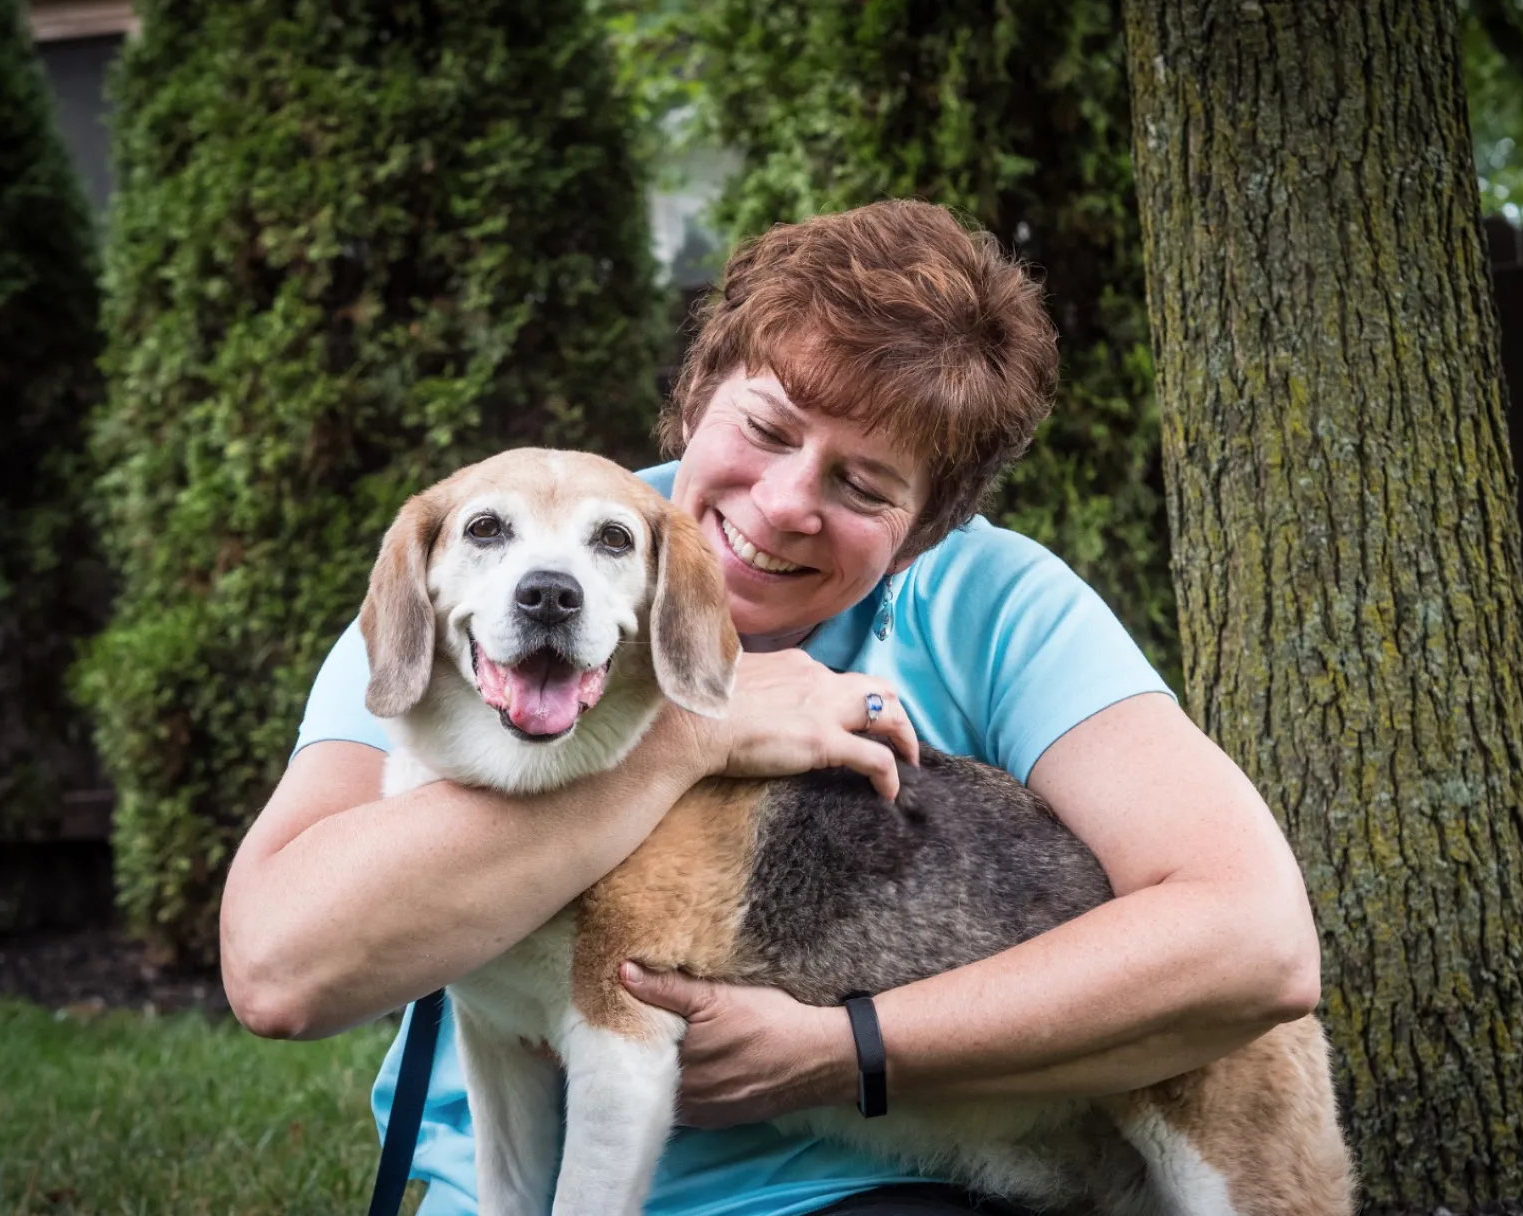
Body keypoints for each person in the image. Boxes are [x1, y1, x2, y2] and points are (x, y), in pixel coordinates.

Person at [219, 200, 1321, 1216]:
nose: (787, 504)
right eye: (771, 426)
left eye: (865, 484)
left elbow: (1255, 942)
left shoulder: (990, 601)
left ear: (927, 527)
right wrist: (699, 734)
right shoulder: (489, 588)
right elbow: (277, 972)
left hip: (887, 1185)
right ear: (700, 399)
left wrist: (852, 1048)